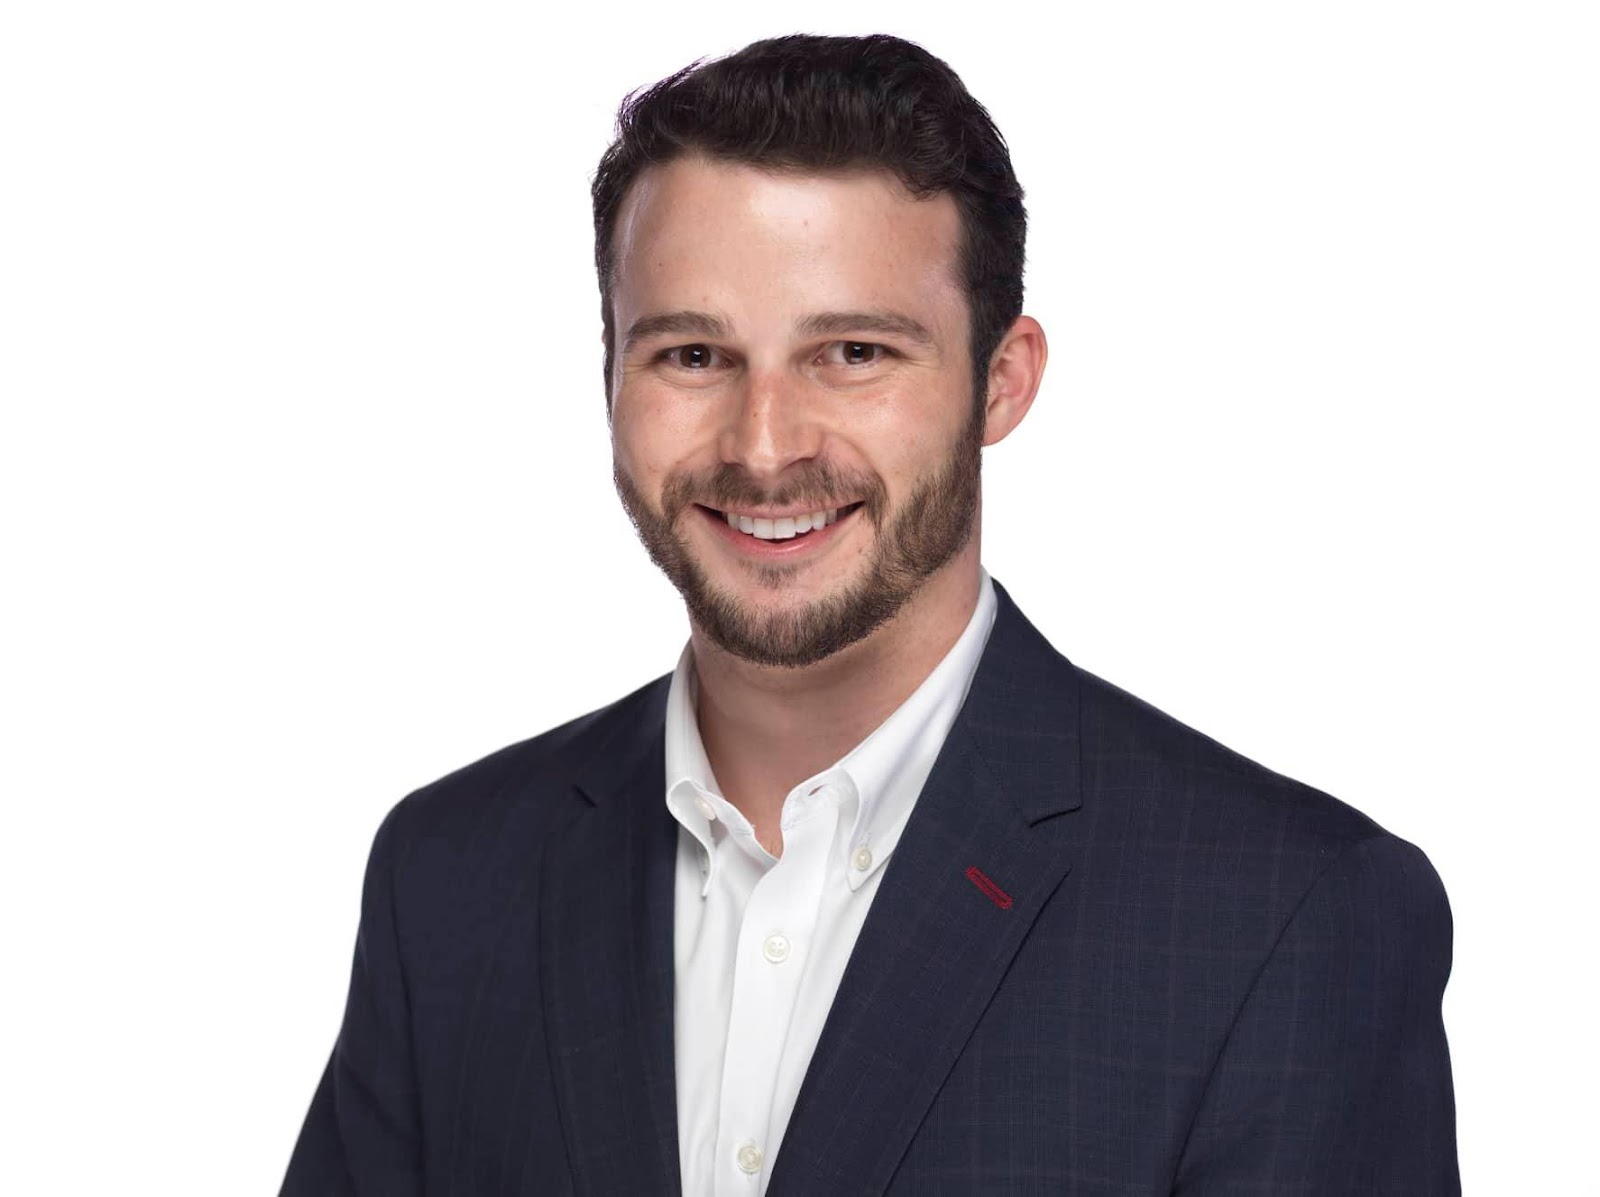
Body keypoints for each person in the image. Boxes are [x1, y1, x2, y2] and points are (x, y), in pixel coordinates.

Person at [281, 33, 1459, 1196]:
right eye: (691, 355)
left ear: (1001, 380)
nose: (763, 446)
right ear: (610, 375)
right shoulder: (451, 876)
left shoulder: (1285, 917)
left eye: (852, 352)